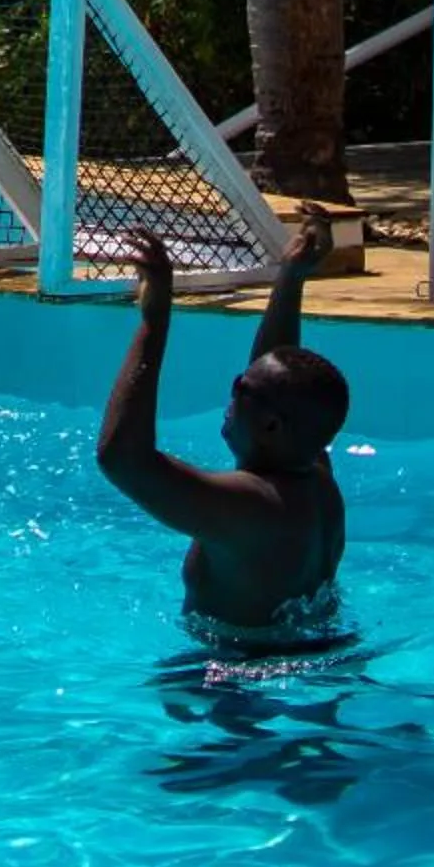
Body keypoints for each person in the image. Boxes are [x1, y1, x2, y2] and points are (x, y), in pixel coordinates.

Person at [96, 210, 347, 630]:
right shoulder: (313, 472)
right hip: (304, 657)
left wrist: (154, 323)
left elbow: (122, 460)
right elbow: (279, 378)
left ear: (271, 427)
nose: (231, 394)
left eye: (240, 389)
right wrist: (291, 277)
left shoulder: (251, 507)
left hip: (238, 680)